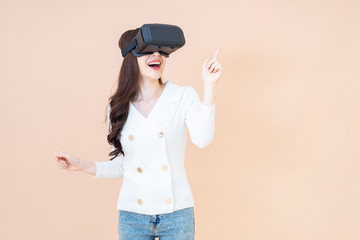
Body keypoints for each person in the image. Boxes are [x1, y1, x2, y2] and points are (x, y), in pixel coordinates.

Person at [54, 27, 223, 240]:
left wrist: (209, 86)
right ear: (130, 56)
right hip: (132, 216)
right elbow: (124, 165)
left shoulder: (182, 96)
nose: (156, 56)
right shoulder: (118, 107)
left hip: (177, 214)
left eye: (161, 50)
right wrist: (81, 164)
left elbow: (203, 139)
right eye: (147, 50)